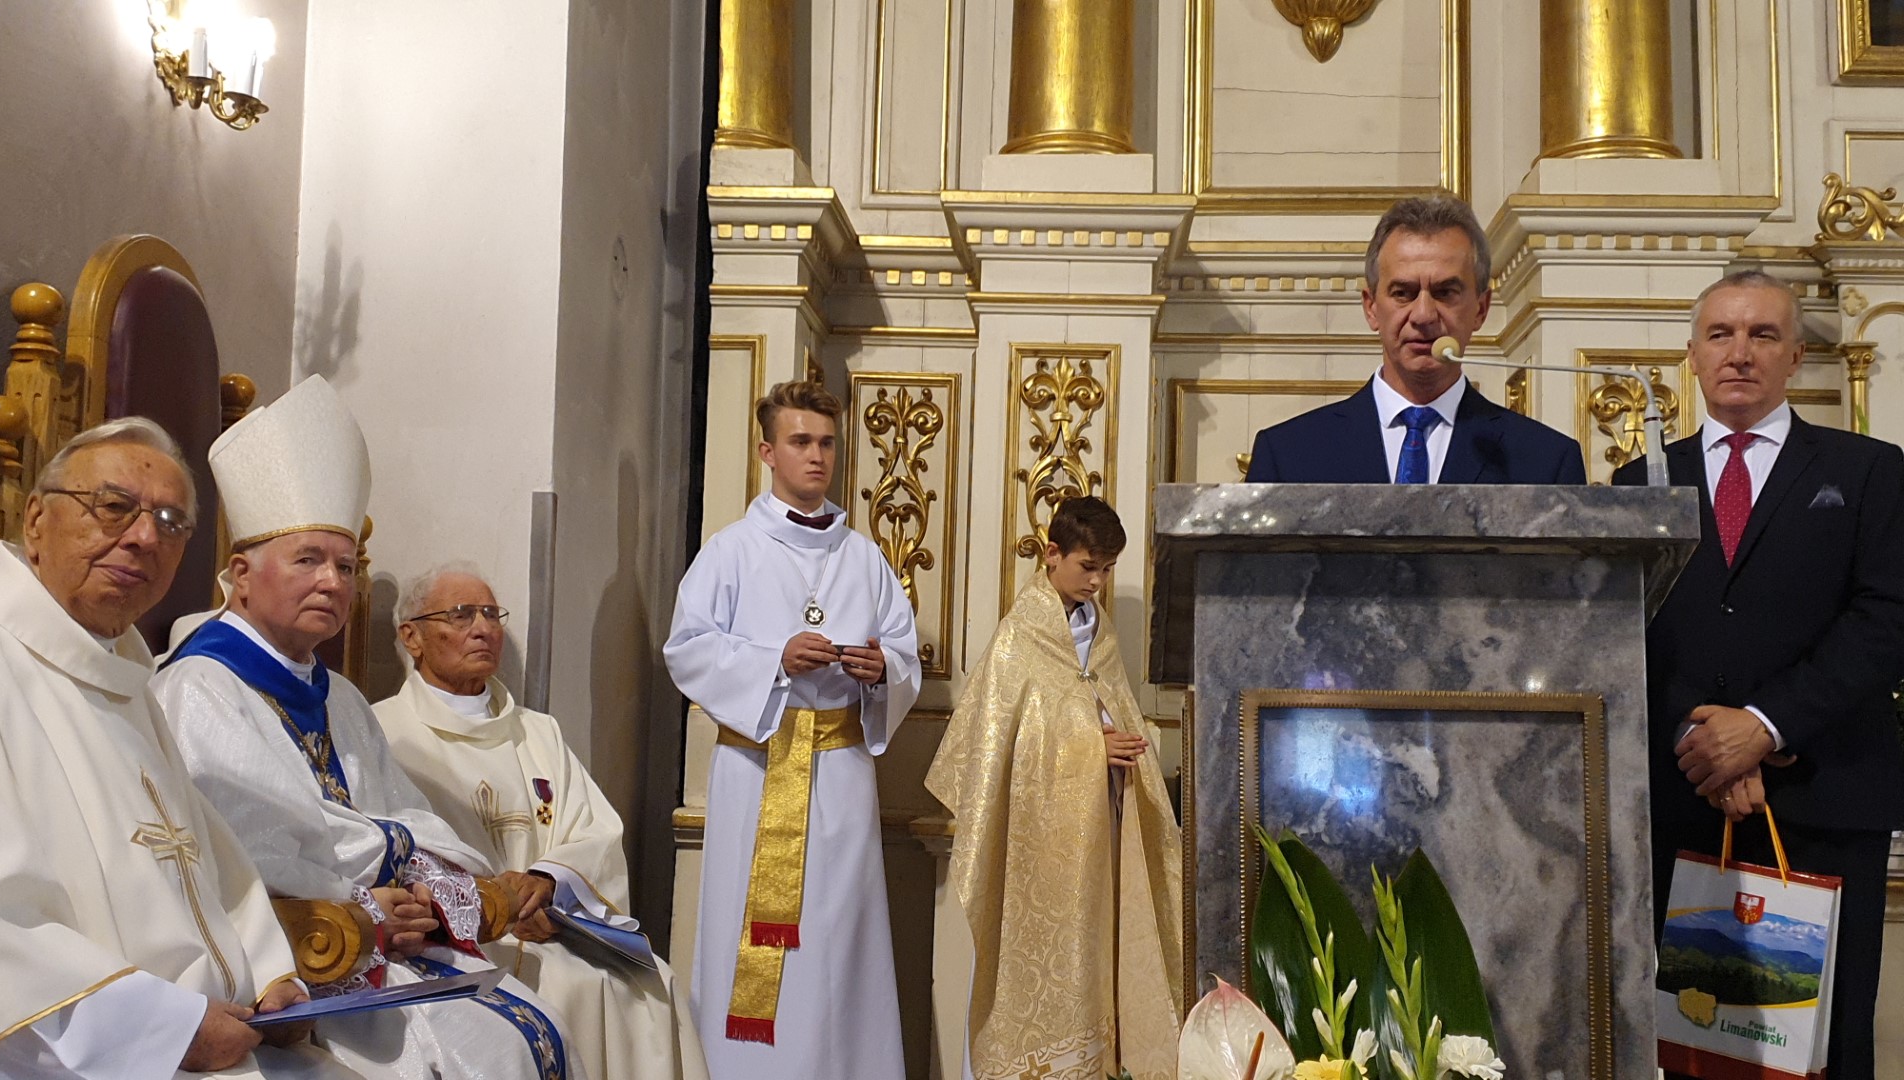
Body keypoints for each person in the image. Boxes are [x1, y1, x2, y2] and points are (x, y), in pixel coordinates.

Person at [152, 377, 587, 1080]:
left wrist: (421, 893)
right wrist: (371, 903)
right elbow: (240, 860)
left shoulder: (342, 698)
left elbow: (403, 819)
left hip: (382, 941)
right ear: (241, 574)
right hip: (285, 966)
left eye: (346, 565)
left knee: (540, 1030)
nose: (333, 582)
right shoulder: (199, 688)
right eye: (308, 560)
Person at [0, 418, 356, 1079]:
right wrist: (164, 1031)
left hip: (216, 1040)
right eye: (113, 506)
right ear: (36, 520)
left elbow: (210, 861)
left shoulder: (126, 676)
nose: (145, 537)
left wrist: (273, 976)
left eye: (171, 523)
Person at [1614, 270, 1904, 1080]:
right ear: (1693, 355)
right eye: (1721, 334)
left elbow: (1888, 619)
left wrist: (1764, 728)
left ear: (1797, 355)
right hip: (1681, 801)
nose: (1739, 353)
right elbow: (1621, 637)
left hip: (1824, 799)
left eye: (1762, 335)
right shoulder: (1639, 484)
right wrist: (1701, 738)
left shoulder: (1871, 471)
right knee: (1687, 1047)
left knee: (1817, 1053)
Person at [664, 380, 921, 1080]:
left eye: (827, 443)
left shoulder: (863, 556)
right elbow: (687, 649)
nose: (817, 456)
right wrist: (773, 659)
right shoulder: (731, 550)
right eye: (801, 441)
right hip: (757, 768)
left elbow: (903, 651)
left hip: (840, 773)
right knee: (753, 932)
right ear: (767, 452)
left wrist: (881, 670)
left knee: (841, 935)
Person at [374, 564, 709, 1080]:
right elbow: (386, 850)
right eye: (461, 615)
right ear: (411, 636)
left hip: (552, 928)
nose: (483, 629)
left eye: (491, 614)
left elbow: (594, 831)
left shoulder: (538, 731)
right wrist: (494, 906)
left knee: (649, 984)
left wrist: (549, 885)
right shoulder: (384, 731)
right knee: (572, 988)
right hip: (458, 940)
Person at [927, 496, 1184, 1080]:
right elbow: (998, 756)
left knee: (1098, 955)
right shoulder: (1018, 639)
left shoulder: (1102, 636)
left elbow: (1106, 707)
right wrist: (1091, 749)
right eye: (1087, 566)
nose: (1096, 582)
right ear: (1052, 554)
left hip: (1104, 831)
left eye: (1107, 570)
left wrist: (1121, 747)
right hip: (1037, 850)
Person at [1244, 194, 1586, 484]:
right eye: (1403, 293)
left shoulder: (1546, 462)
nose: (1423, 315)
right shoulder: (1288, 455)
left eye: (1445, 292)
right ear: (1371, 308)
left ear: (1480, 309)